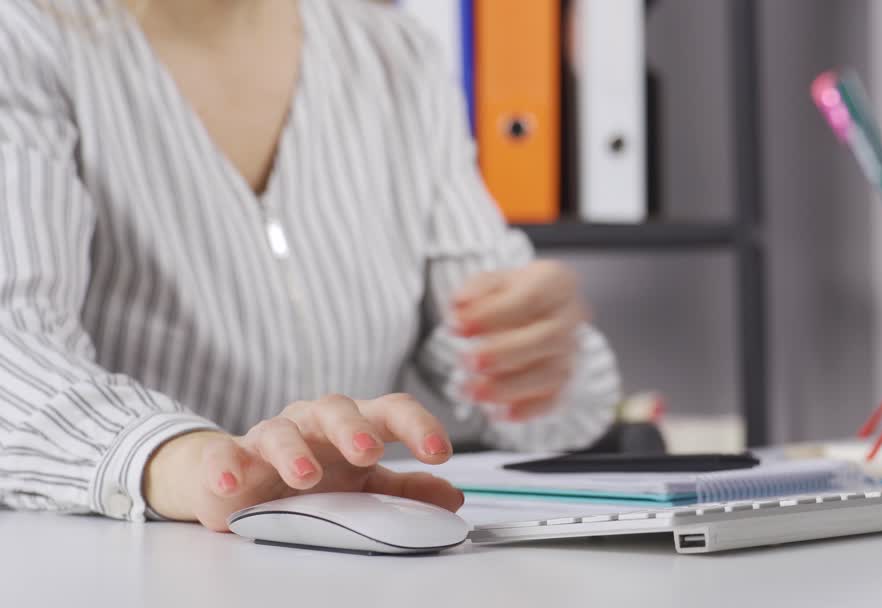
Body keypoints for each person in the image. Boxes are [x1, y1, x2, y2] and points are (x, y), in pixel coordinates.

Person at [0, 0, 621, 531]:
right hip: (127, 581)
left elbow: (538, 402)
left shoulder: (395, 55)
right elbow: (14, 352)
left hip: (360, 578)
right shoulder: (25, 35)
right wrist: (187, 462)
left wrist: (533, 363)